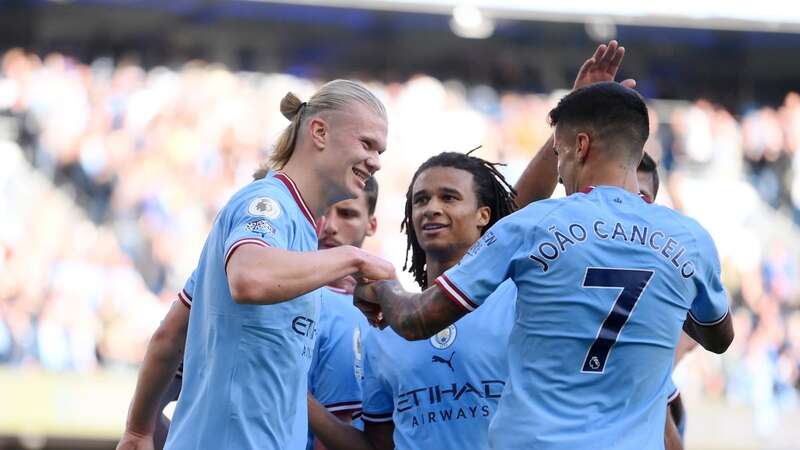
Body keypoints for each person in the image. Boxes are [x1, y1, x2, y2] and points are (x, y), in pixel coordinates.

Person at [353, 81, 734, 449]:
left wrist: (381, 288)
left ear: (580, 146)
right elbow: (719, 338)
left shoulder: (532, 225)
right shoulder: (689, 240)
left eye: (559, 152)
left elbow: (416, 320)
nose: (561, 167)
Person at [117, 79, 395, 450]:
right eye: (367, 144)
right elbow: (249, 280)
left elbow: (170, 336)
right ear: (319, 131)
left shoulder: (300, 230)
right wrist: (352, 257)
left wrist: (138, 431)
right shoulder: (267, 202)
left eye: (380, 150)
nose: (376, 161)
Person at [308, 151, 518, 450]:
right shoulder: (384, 326)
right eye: (420, 200)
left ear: (483, 215)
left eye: (449, 197)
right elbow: (377, 446)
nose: (431, 208)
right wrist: (300, 395)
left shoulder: (517, 304)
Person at [306, 177, 378, 450]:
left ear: (371, 225)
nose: (330, 227)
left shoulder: (389, 315)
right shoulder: (271, 297)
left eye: (347, 214)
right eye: (321, 211)